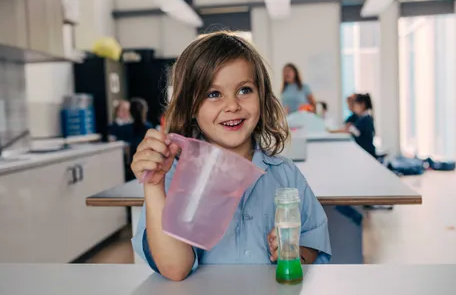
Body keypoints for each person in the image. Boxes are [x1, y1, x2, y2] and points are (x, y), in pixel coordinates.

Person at [130, 31, 331, 281]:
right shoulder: (174, 178)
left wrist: (293, 252)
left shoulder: (285, 174)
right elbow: (175, 268)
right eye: (213, 94)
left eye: (244, 90)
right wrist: (153, 185)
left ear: (263, 96)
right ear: (190, 106)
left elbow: (313, 240)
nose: (232, 105)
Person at [329, 93, 376, 157]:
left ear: (362, 105)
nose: (355, 108)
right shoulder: (365, 118)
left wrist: (332, 131)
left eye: (356, 106)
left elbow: (350, 130)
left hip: (367, 153)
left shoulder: (364, 119)